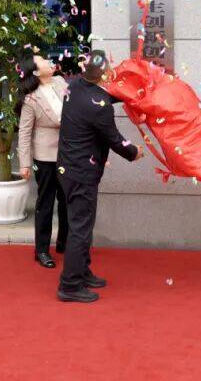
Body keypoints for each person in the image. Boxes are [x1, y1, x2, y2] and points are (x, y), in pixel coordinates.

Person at [56, 51, 143, 303]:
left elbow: (101, 97)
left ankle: (82, 272)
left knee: (80, 225)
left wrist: (132, 94)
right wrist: (134, 152)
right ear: (104, 74)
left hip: (67, 168)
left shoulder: (74, 87)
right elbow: (114, 139)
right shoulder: (99, 106)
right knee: (80, 228)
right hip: (81, 172)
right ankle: (70, 285)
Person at [17, 52, 70, 269]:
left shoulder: (61, 82)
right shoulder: (31, 99)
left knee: (67, 200)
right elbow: (24, 132)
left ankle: (64, 242)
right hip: (45, 157)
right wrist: (24, 163)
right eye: (43, 61)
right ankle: (41, 250)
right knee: (45, 202)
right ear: (37, 72)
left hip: (67, 153)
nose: (49, 61)